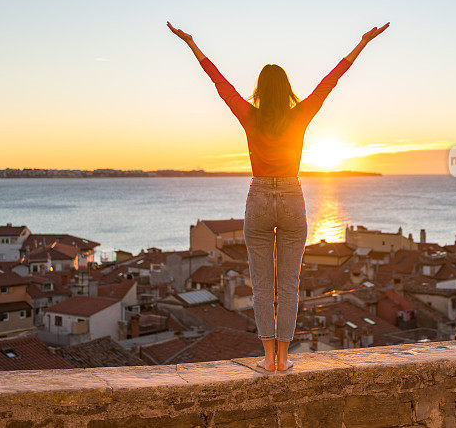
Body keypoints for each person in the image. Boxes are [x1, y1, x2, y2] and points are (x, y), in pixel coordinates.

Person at [167, 21, 389, 371]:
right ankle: (284, 358)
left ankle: (267, 357)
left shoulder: (249, 117)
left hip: (258, 199)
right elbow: (330, 82)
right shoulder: (300, 115)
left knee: (261, 285)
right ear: (286, 90)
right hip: (291, 196)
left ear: (260, 90)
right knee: (288, 284)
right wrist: (361, 43)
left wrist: (192, 44)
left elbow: (219, 82)